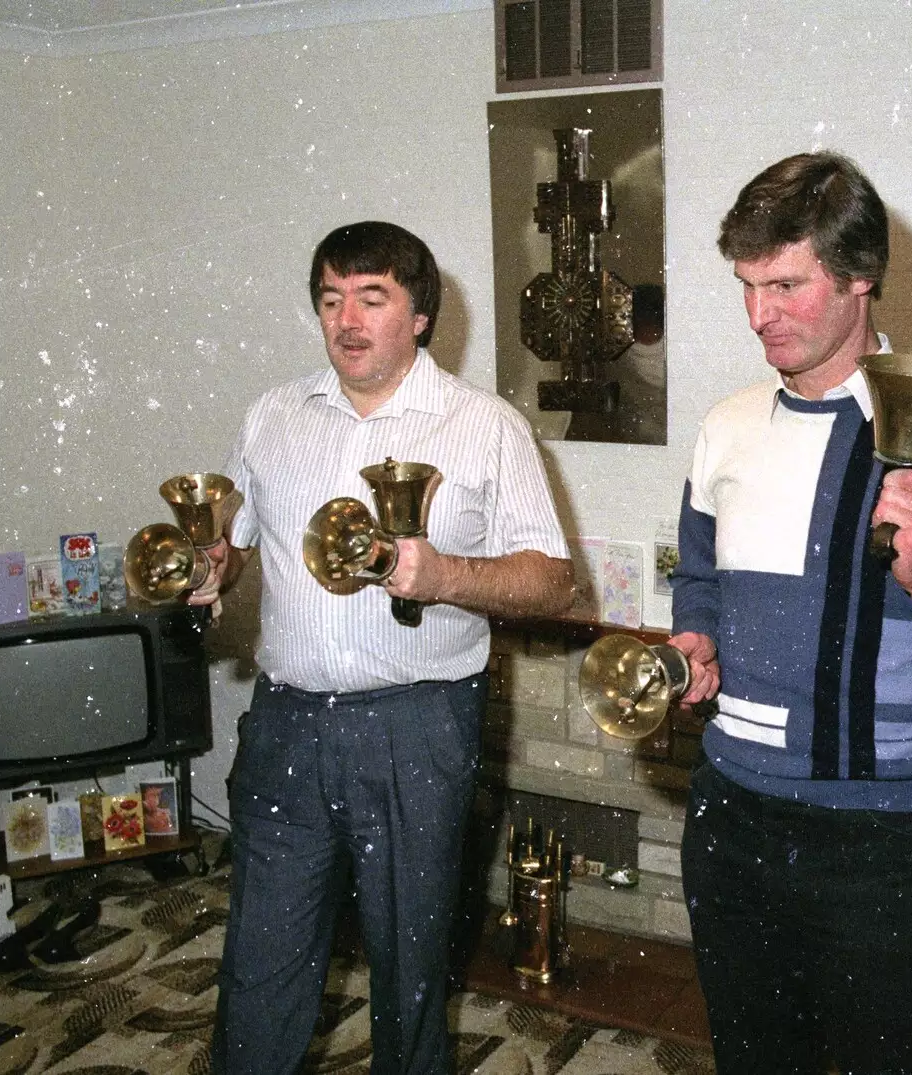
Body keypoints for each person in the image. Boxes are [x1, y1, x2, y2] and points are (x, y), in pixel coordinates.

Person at [668, 152, 912, 1074]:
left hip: (890, 839)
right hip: (733, 818)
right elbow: (700, 576)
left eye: (786, 285)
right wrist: (699, 633)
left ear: (861, 280)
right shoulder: (723, 427)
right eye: (746, 285)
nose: (759, 314)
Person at [190, 220, 574, 1075]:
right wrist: (216, 564)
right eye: (331, 300)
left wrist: (442, 574)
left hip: (417, 726)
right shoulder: (272, 416)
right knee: (259, 964)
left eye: (373, 298)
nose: (347, 321)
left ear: (422, 315)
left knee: (408, 973)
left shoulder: (484, 426)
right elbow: (240, 537)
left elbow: (551, 580)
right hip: (287, 723)